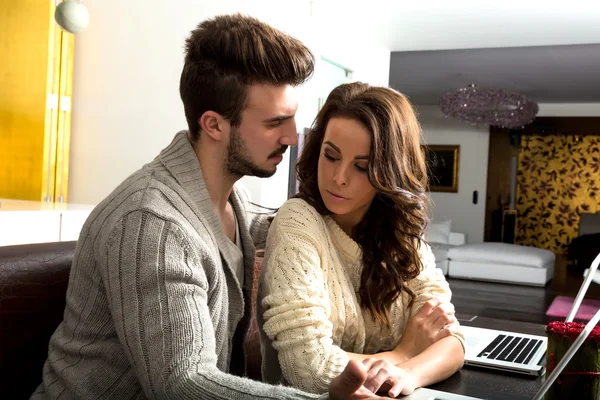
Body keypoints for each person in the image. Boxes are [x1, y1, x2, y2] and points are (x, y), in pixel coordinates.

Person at [32, 14, 389, 400]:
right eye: (275, 122)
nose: (291, 136)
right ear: (215, 125)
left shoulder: (238, 207)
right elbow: (182, 383)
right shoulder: (152, 224)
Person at [257, 82, 466, 398]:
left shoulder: (403, 239)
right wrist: (405, 352)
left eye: (361, 167)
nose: (339, 177)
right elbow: (308, 369)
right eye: (331, 156)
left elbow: (451, 341)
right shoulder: (298, 220)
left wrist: (407, 374)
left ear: (389, 173)